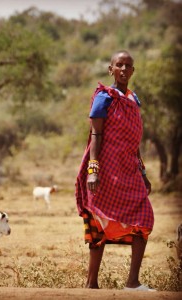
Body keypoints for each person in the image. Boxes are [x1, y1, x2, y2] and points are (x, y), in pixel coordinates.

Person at [75, 50, 155, 291]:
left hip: (128, 169)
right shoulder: (104, 97)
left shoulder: (133, 99)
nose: (123, 69)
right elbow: (96, 135)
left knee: (144, 218)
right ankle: (92, 283)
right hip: (105, 169)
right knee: (98, 223)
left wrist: (142, 172)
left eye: (127, 66)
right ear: (111, 69)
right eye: (118, 65)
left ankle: (132, 282)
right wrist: (93, 170)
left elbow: (134, 141)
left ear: (132, 71)